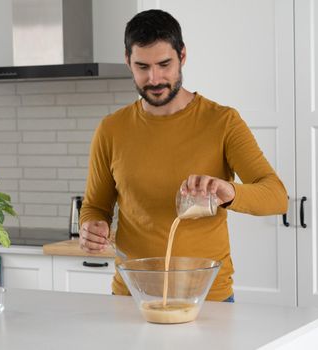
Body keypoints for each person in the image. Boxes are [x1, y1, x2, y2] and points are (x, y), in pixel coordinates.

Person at [79, 9, 288, 302]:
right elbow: (95, 206)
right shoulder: (111, 129)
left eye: (164, 64)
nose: (154, 78)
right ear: (128, 61)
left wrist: (229, 192)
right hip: (132, 297)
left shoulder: (223, 122)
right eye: (142, 66)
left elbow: (277, 196)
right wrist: (91, 227)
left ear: (183, 56)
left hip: (207, 298)